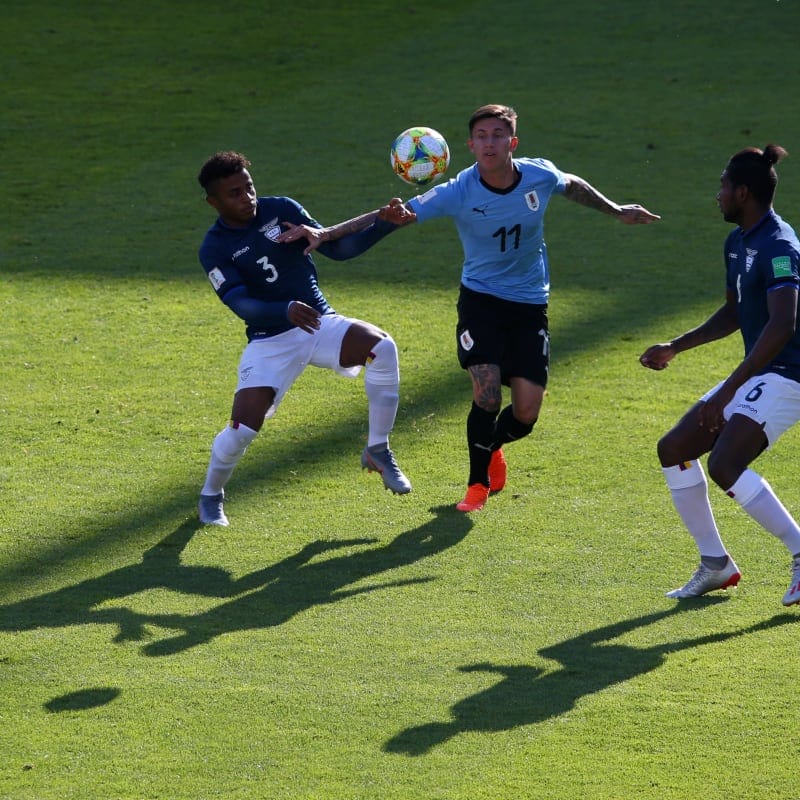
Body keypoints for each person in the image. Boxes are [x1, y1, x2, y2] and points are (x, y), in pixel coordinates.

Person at [283, 104, 659, 511]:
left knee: (527, 414)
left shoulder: (539, 175)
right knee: (487, 394)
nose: (489, 143)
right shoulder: (459, 190)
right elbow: (388, 215)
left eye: (498, 135)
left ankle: (493, 447)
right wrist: (325, 232)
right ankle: (476, 484)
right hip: (481, 301)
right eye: (481, 136)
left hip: (531, 302)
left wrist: (618, 210)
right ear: (469, 145)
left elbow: (572, 185)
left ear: (512, 143)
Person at [196, 151, 415, 527]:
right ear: (213, 202)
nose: (247, 197)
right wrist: (283, 310)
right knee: (242, 431)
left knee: (382, 346)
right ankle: (211, 495)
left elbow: (337, 248)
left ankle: (378, 448)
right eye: (234, 193)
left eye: (248, 187)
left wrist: (384, 225)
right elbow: (240, 303)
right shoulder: (213, 248)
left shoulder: (281, 209)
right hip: (270, 340)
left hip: (318, 322)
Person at [640, 144, 800, 606]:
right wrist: (676, 346)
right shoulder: (738, 241)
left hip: (790, 374)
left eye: (724, 188)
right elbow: (736, 311)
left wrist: (729, 390)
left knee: (725, 464)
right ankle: (715, 564)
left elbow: (783, 324)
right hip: (763, 372)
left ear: (743, 193)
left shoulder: (780, 246)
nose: (718, 196)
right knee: (674, 449)